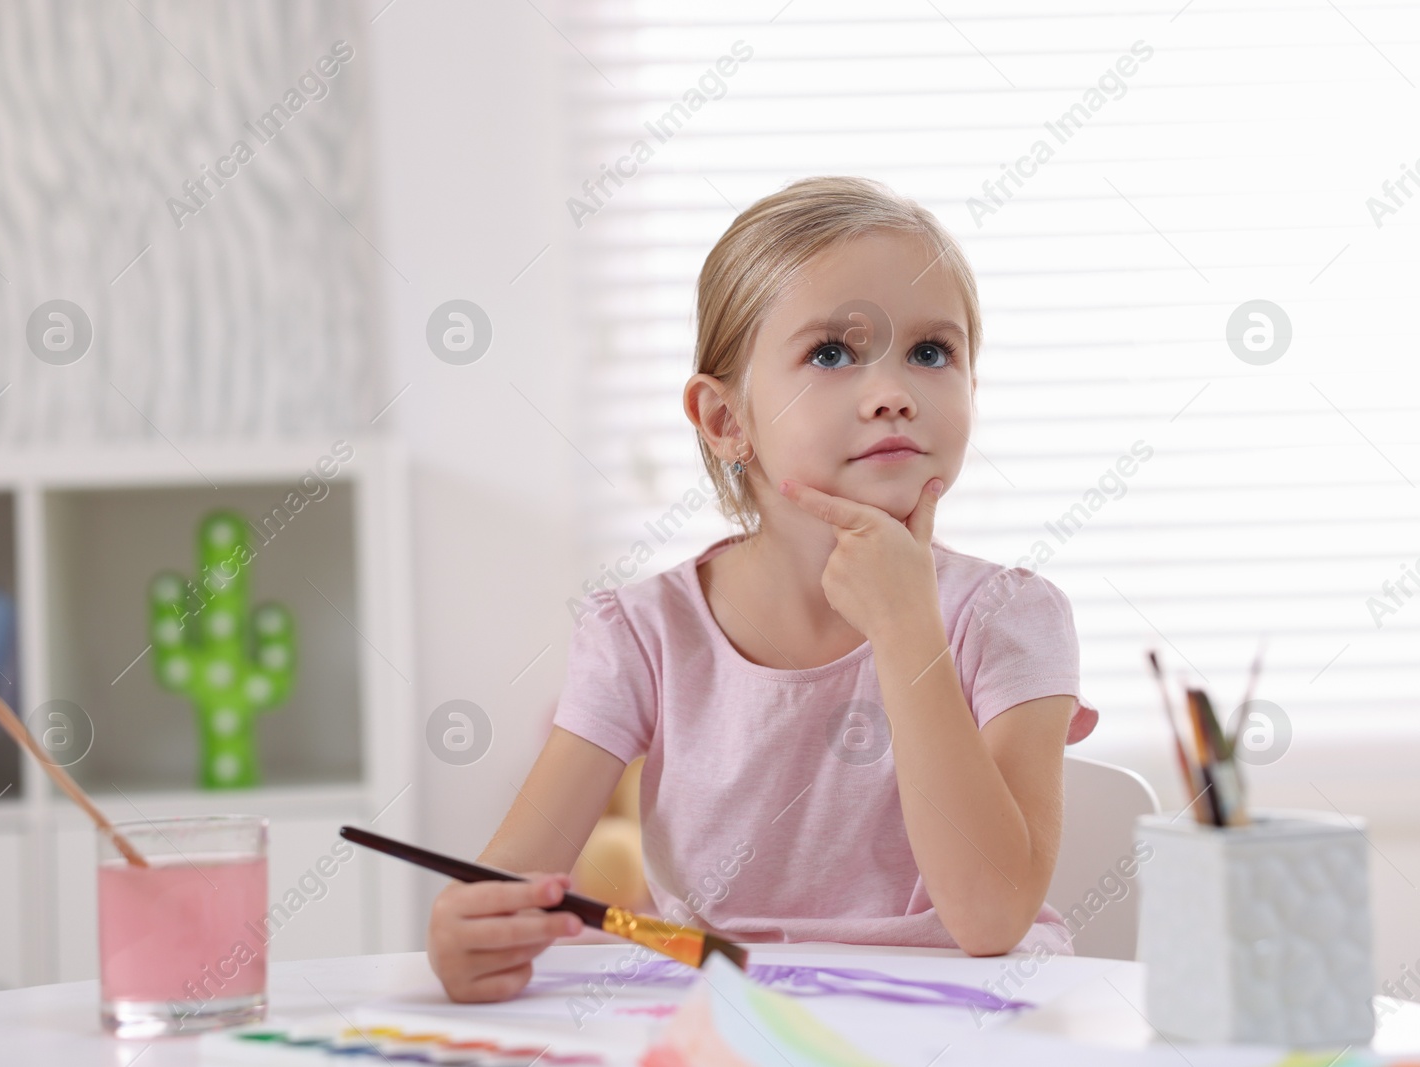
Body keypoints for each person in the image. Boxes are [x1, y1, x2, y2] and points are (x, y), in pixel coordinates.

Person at [428, 175, 1101, 1003]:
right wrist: (471, 933)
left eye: (932, 351)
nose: (893, 391)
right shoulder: (642, 633)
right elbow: (507, 886)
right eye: (831, 353)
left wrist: (906, 629)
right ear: (724, 421)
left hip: (968, 1018)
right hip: (737, 1022)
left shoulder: (1011, 618)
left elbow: (991, 919)